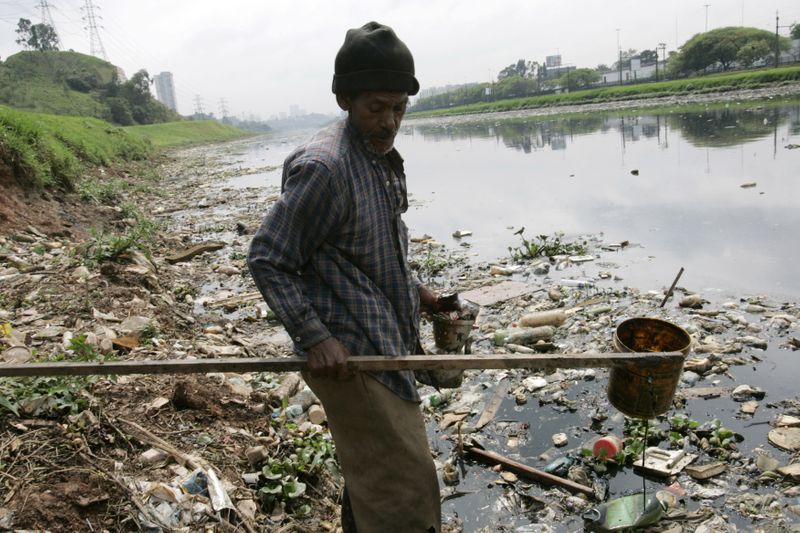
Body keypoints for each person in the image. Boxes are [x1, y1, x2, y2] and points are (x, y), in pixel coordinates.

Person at [248, 21, 443, 533]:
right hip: (353, 358)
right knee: (405, 490)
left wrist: (420, 293)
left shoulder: (378, 157)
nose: (389, 121)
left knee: (376, 480)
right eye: (376, 107)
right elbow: (268, 257)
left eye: (399, 108)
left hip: (386, 341)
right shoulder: (325, 168)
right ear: (345, 100)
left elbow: (378, 246)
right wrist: (315, 338)